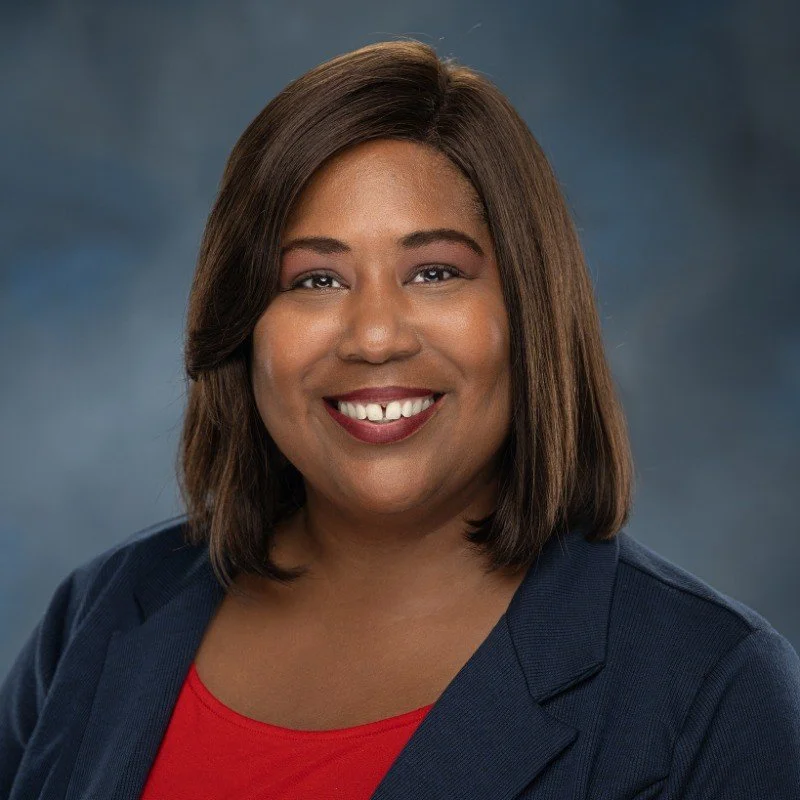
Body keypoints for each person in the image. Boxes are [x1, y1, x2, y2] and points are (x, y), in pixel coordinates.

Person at [1, 38, 799, 800]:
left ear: (529, 310)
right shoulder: (101, 617)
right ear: (244, 325)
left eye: (435, 272)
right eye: (315, 281)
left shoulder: (710, 692)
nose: (376, 335)